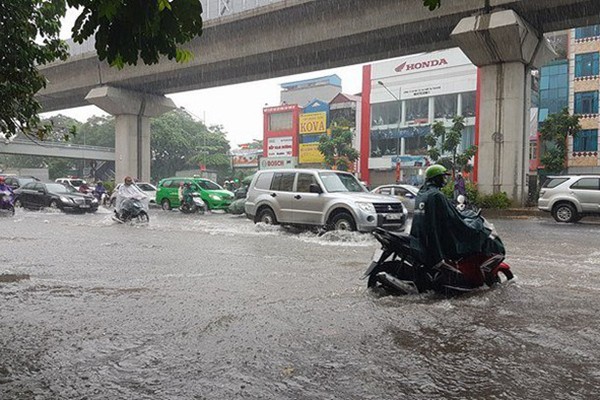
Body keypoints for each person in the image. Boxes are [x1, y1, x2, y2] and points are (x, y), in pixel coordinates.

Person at [410, 164, 504, 268]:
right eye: (443, 177)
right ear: (436, 178)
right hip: (439, 239)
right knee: (475, 233)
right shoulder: (437, 195)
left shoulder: (423, 193)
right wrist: (474, 224)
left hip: (422, 237)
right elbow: (454, 218)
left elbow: (448, 212)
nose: (445, 179)